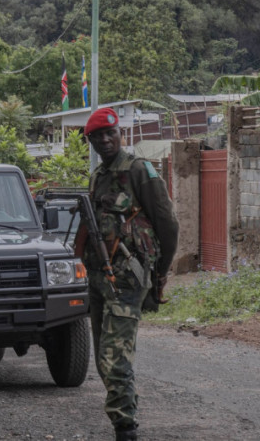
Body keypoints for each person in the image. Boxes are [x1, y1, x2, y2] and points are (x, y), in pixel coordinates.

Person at [81, 107, 178, 441]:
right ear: (90, 140)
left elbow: (167, 222)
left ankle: (126, 428)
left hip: (127, 277)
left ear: (120, 134)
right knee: (102, 358)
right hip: (98, 276)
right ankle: (124, 416)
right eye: (98, 136)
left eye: (111, 133)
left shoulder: (138, 170)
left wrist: (160, 273)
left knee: (115, 357)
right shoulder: (98, 176)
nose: (106, 140)